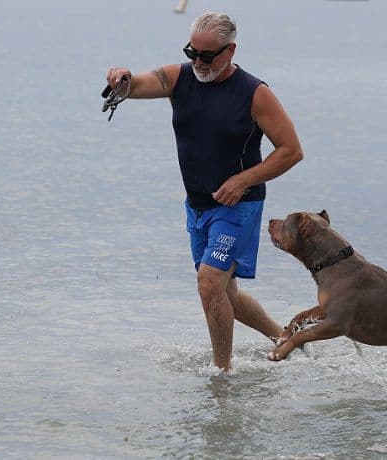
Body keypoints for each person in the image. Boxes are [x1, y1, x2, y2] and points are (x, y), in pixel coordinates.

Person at [105, 11, 304, 371]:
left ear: (230, 51)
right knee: (224, 293)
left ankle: (221, 373)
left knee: (210, 283)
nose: (197, 61)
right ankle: (283, 336)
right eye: (191, 51)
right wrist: (123, 77)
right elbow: (138, 84)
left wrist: (243, 180)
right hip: (197, 205)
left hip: (239, 206)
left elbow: (291, 150)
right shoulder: (179, 78)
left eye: (207, 55)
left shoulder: (255, 94)